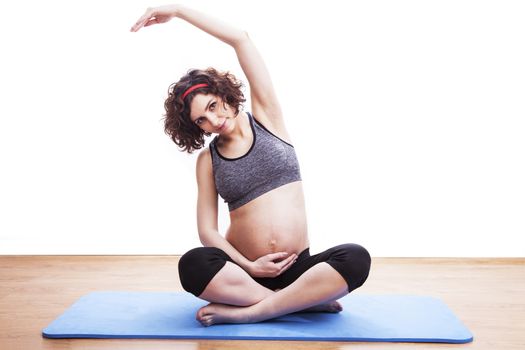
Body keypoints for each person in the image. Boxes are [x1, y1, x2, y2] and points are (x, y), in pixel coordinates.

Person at [131, 4, 371, 327]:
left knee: (356, 258)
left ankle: (256, 311)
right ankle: (301, 302)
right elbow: (208, 232)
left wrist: (178, 10)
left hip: (297, 268)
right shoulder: (207, 160)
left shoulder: (268, 118)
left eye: (214, 106)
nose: (214, 121)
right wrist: (251, 265)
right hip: (245, 274)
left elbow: (241, 40)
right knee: (192, 265)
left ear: (223, 94)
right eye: (202, 120)